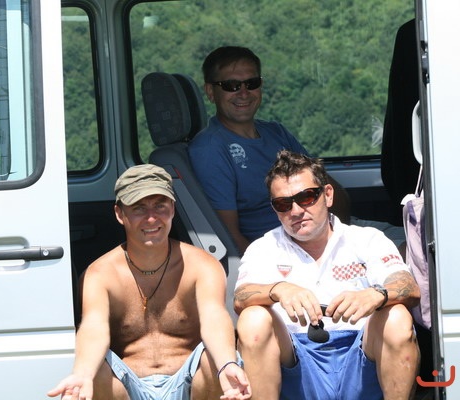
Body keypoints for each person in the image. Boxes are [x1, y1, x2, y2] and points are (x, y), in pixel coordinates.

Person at [47, 164, 251, 400]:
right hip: (128, 386)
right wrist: (82, 374)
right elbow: (94, 327)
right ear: (119, 214)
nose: (152, 218)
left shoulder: (202, 265)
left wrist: (227, 364)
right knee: (94, 371)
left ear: (172, 208)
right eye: (139, 208)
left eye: (160, 206)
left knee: (215, 360)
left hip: (189, 384)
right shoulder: (100, 273)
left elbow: (214, 316)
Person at [233, 150, 420, 400]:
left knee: (396, 315)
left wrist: (376, 295)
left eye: (306, 197)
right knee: (253, 318)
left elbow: (409, 287)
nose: (296, 211)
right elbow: (240, 298)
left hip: (361, 354)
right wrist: (278, 290)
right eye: (283, 204)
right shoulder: (263, 248)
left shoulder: (367, 239)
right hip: (296, 360)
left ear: (328, 195)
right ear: (274, 209)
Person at [188, 46, 350, 255]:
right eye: (231, 85)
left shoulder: (276, 132)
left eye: (252, 83)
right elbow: (229, 236)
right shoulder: (209, 150)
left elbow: (325, 184)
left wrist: (340, 237)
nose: (243, 93)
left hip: (327, 237)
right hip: (286, 255)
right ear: (211, 92)